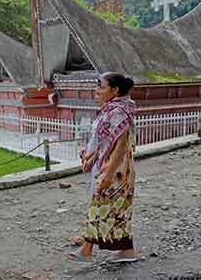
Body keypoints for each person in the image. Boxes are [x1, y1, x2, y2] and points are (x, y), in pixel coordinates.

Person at [68, 72, 139, 264]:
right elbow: (104, 140)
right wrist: (90, 156)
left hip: (116, 169)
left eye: (101, 86)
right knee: (115, 210)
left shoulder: (119, 111)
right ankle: (127, 250)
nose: (96, 90)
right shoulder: (111, 109)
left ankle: (86, 250)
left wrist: (107, 174)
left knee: (100, 205)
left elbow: (121, 146)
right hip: (108, 165)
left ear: (115, 90)